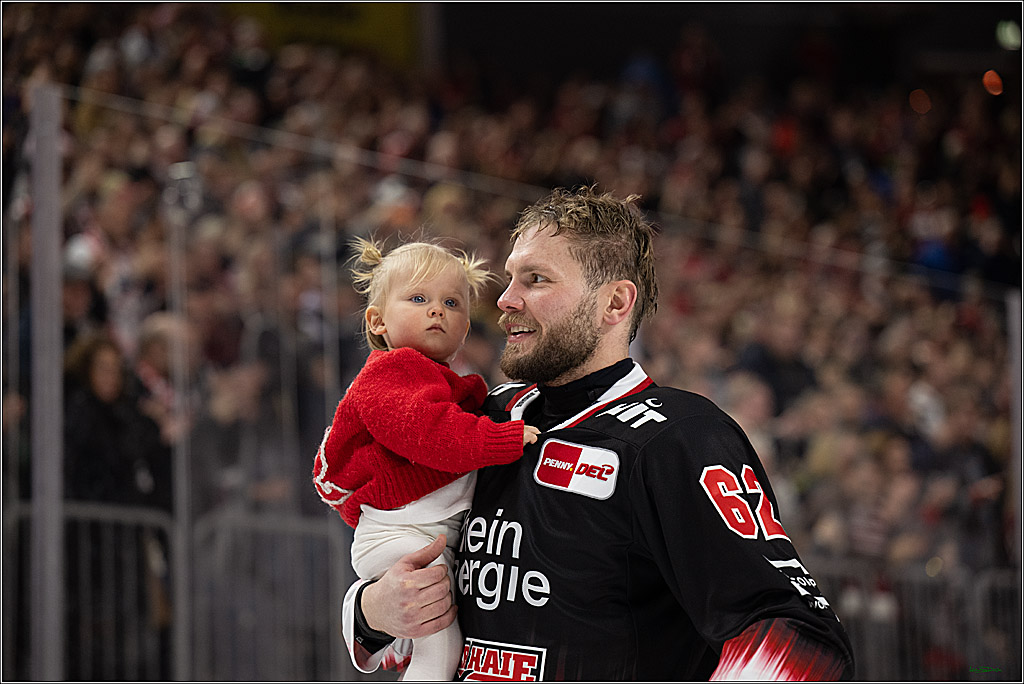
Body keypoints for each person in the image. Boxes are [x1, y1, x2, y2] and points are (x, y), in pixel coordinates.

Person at [340, 187, 855, 681]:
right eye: (511, 278)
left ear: (614, 304)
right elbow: (395, 580)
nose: (505, 300)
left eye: (536, 279)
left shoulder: (680, 437)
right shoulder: (480, 419)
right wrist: (373, 610)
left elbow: (796, 630)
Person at [312, 237, 541, 680]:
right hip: (401, 537)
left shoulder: (446, 382)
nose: (437, 310)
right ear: (377, 321)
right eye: (418, 298)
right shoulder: (389, 372)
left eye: (452, 303)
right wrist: (501, 440)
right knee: (441, 641)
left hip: (424, 537)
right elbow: (430, 435)